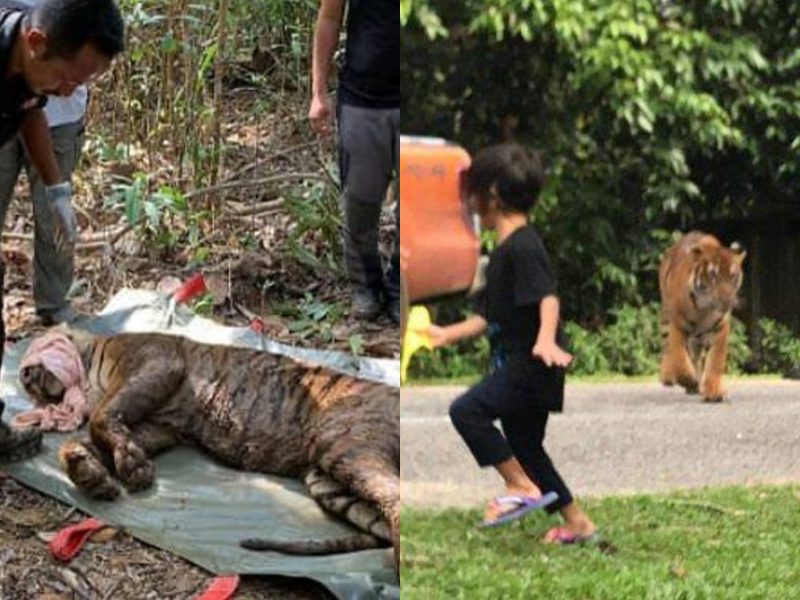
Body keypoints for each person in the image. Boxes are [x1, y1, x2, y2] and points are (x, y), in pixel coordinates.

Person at [426, 143, 598, 543]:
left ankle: (520, 488)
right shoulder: (504, 252)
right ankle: (578, 524)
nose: (467, 203)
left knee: (467, 412)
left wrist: (543, 340)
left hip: (532, 364)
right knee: (527, 447)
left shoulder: (524, 246)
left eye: (472, 193)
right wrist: (443, 335)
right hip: (521, 364)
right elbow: (488, 318)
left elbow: (548, 297)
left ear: (491, 195)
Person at [0, 0, 124, 364]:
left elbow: (30, 110)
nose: (69, 91)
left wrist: (57, 189)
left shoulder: (31, 66)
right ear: (36, 41)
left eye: (81, 82)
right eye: (67, 78)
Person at [0, 0, 95, 325]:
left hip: (55, 119)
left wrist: (58, 189)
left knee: (52, 217)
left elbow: (33, 107)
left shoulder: (45, 90)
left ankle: (54, 306)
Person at [309, 0, 400, 323]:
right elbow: (330, 17)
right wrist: (318, 91)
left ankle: (399, 287)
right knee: (360, 202)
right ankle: (366, 286)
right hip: (363, 98)